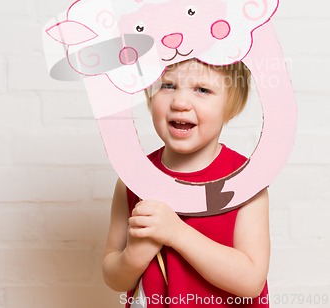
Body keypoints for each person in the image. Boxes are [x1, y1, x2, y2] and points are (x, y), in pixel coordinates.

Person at [102, 59, 270, 307]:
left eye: (202, 90)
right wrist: (135, 254)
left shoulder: (245, 180)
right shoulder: (133, 179)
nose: (179, 103)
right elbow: (114, 278)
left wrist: (176, 233)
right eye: (167, 85)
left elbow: (251, 282)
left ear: (230, 104)